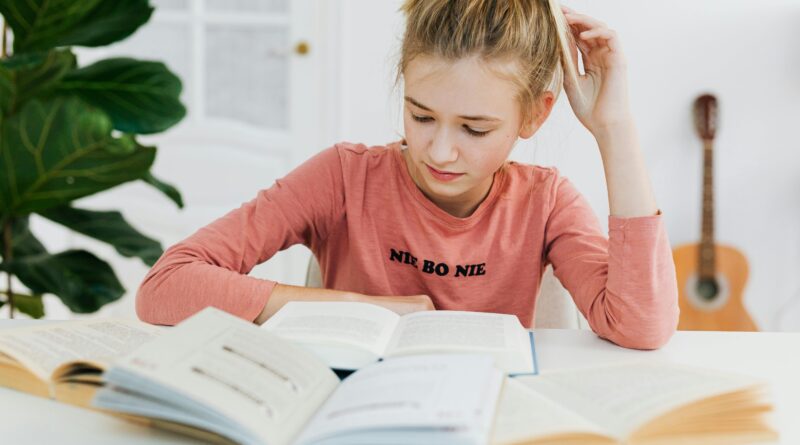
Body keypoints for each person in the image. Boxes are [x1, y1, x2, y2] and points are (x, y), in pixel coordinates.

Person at [136, 0, 679, 350]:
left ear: (534, 115)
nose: (440, 151)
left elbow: (642, 326)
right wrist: (365, 308)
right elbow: (166, 285)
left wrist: (614, 128)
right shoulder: (344, 177)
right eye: (421, 116)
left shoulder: (546, 201)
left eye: (474, 128)